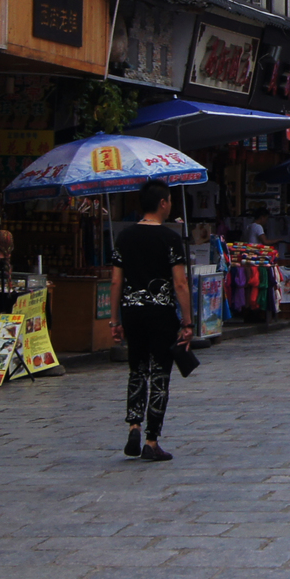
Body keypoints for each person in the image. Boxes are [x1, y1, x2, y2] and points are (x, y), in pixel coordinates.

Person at [107, 180, 193, 463]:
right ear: (163, 203)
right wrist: (188, 322)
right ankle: (152, 440)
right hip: (161, 314)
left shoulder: (124, 237)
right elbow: (180, 284)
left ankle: (134, 424)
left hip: (132, 313)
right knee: (160, 376)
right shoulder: (170, 238)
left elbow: (116, 280)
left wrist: (114, 319)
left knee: (137, 369)